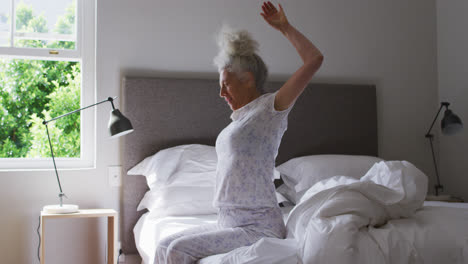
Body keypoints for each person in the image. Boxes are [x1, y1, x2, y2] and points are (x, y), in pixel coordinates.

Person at [155, 2, 323, 263]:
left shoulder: (271, 109)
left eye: (226, 85)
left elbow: (314, 60)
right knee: (165, 246)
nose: (221, 94)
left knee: (178, 251)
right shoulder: (238, 121)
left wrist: (285, 27)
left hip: (258, 226)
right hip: (227, 222)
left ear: (247, 79)